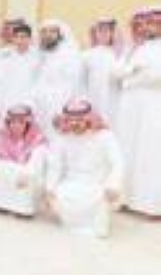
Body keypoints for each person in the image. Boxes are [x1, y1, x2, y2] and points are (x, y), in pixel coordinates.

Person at [46, 99, 124, 237]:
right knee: (59, 195)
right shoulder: (61, 136)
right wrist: (49, 189)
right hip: (70, 183)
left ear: (89, 118)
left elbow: (117, 162)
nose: (75, 124)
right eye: (71, 120)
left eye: (79, 120)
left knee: (100, 218)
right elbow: (54, 166)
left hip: (97, 184)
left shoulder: (105, 136)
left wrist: (113, 185)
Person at [114, 7, 161, 218]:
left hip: (153, 105)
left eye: (155, 24)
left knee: (151, 152)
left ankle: (152, 206)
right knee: (128, 149)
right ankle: (125, 199)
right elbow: (116, 72)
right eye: (146, 24)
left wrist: (134, 75)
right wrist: (133, 72)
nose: (149, 28)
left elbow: (156, 76)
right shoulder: (135, 48)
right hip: (130, 105)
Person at [0, 104, 48, 217]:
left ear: (28, 124)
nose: (16, 126)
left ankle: (23, 210)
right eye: (13, 122)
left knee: (27, 178)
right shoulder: (1, 135)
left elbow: (36, 161)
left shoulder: (37, 139)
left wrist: (27, 172)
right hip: (7, 172)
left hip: (25, 173)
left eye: (21, 122)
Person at [32, 19, 84, 132]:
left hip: (60, 108)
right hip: (39, 109)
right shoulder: (38, 55)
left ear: (60, 34)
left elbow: (72, 85)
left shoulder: (69, 55)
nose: (47, 35)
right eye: (44, 32)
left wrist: (61, 110)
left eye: (52, 31)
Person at [0, 23, 39, 120]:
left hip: (30, 103)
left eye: (23, 37)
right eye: (16, 37)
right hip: (8, 101)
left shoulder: (38, 57)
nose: (19, 40)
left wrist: (33, 104)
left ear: (30, 39)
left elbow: (39, 84)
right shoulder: (4, 56)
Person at [82, 18, 122, 123]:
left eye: (107, 30)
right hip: (94, 99)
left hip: (115, 99)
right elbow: (82, 81)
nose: (104, 34)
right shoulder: (86, 55)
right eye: (100, 30)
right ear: (94, 33)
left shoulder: (120, 55)